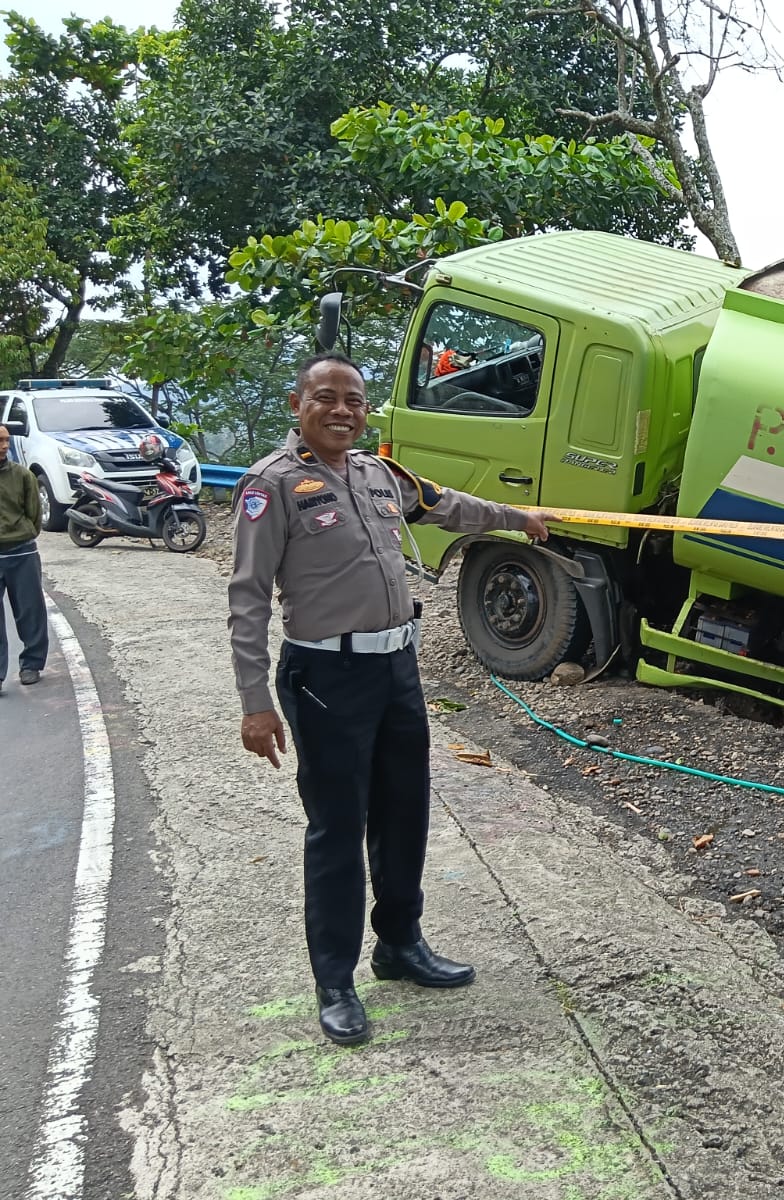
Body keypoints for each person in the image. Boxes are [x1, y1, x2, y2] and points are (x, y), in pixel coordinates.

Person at [228, 351, 551, 1045]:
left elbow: (448, 506)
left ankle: (400, 945)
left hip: (396, 671)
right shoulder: (271, 485)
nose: (342, 410)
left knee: (405, 813)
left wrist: (516, 517)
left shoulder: (380, 475)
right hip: (324, 680)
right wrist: (255, 702)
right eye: (326, 397)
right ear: (298, 405)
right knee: (338, 828)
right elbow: (248, 598)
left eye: (354, 399)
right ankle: (335, 981)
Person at [0, 424, 48, 695]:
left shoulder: (22, 476)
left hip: (21, 550)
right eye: (0, 441)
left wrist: (24, 534)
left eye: (6, 440)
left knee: (30, 610)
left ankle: (31, 664)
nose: (5, 445)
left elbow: (34, 514)